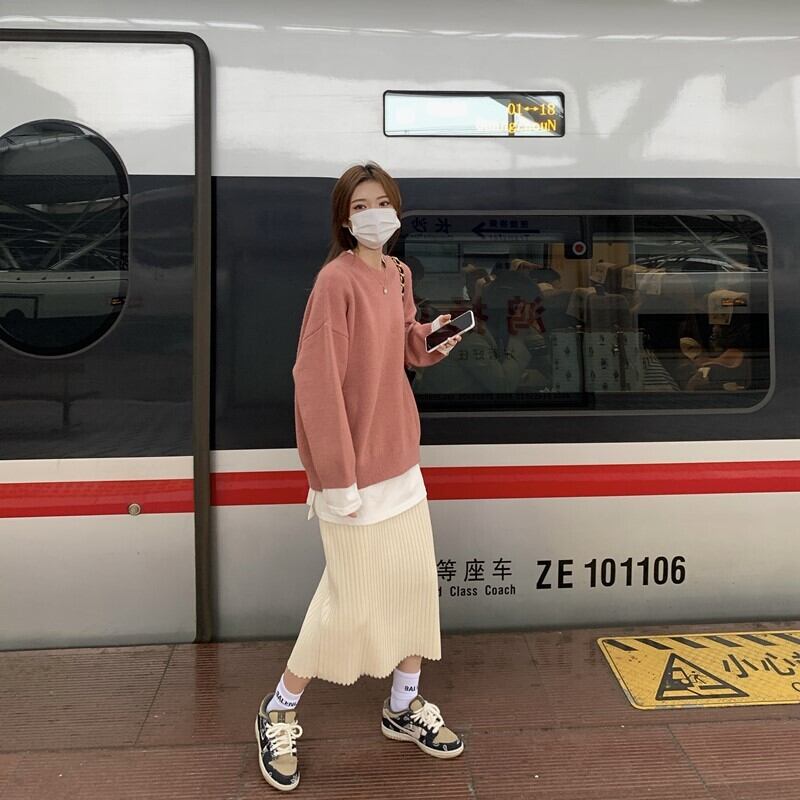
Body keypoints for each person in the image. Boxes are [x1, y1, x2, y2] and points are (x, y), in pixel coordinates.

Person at [254, 162, 465, 792]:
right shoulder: (334, 281)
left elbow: (402, 346)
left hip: (400, 460)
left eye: (383, 203)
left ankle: (403, 704)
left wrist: (431, 338)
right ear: (344, 220)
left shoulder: (397, 273)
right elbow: (315, 381)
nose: (375, 215)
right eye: (361, 206)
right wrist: (336, 477)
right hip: (350, 474)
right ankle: (278, 710)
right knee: (347, 602)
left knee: (414, 586)